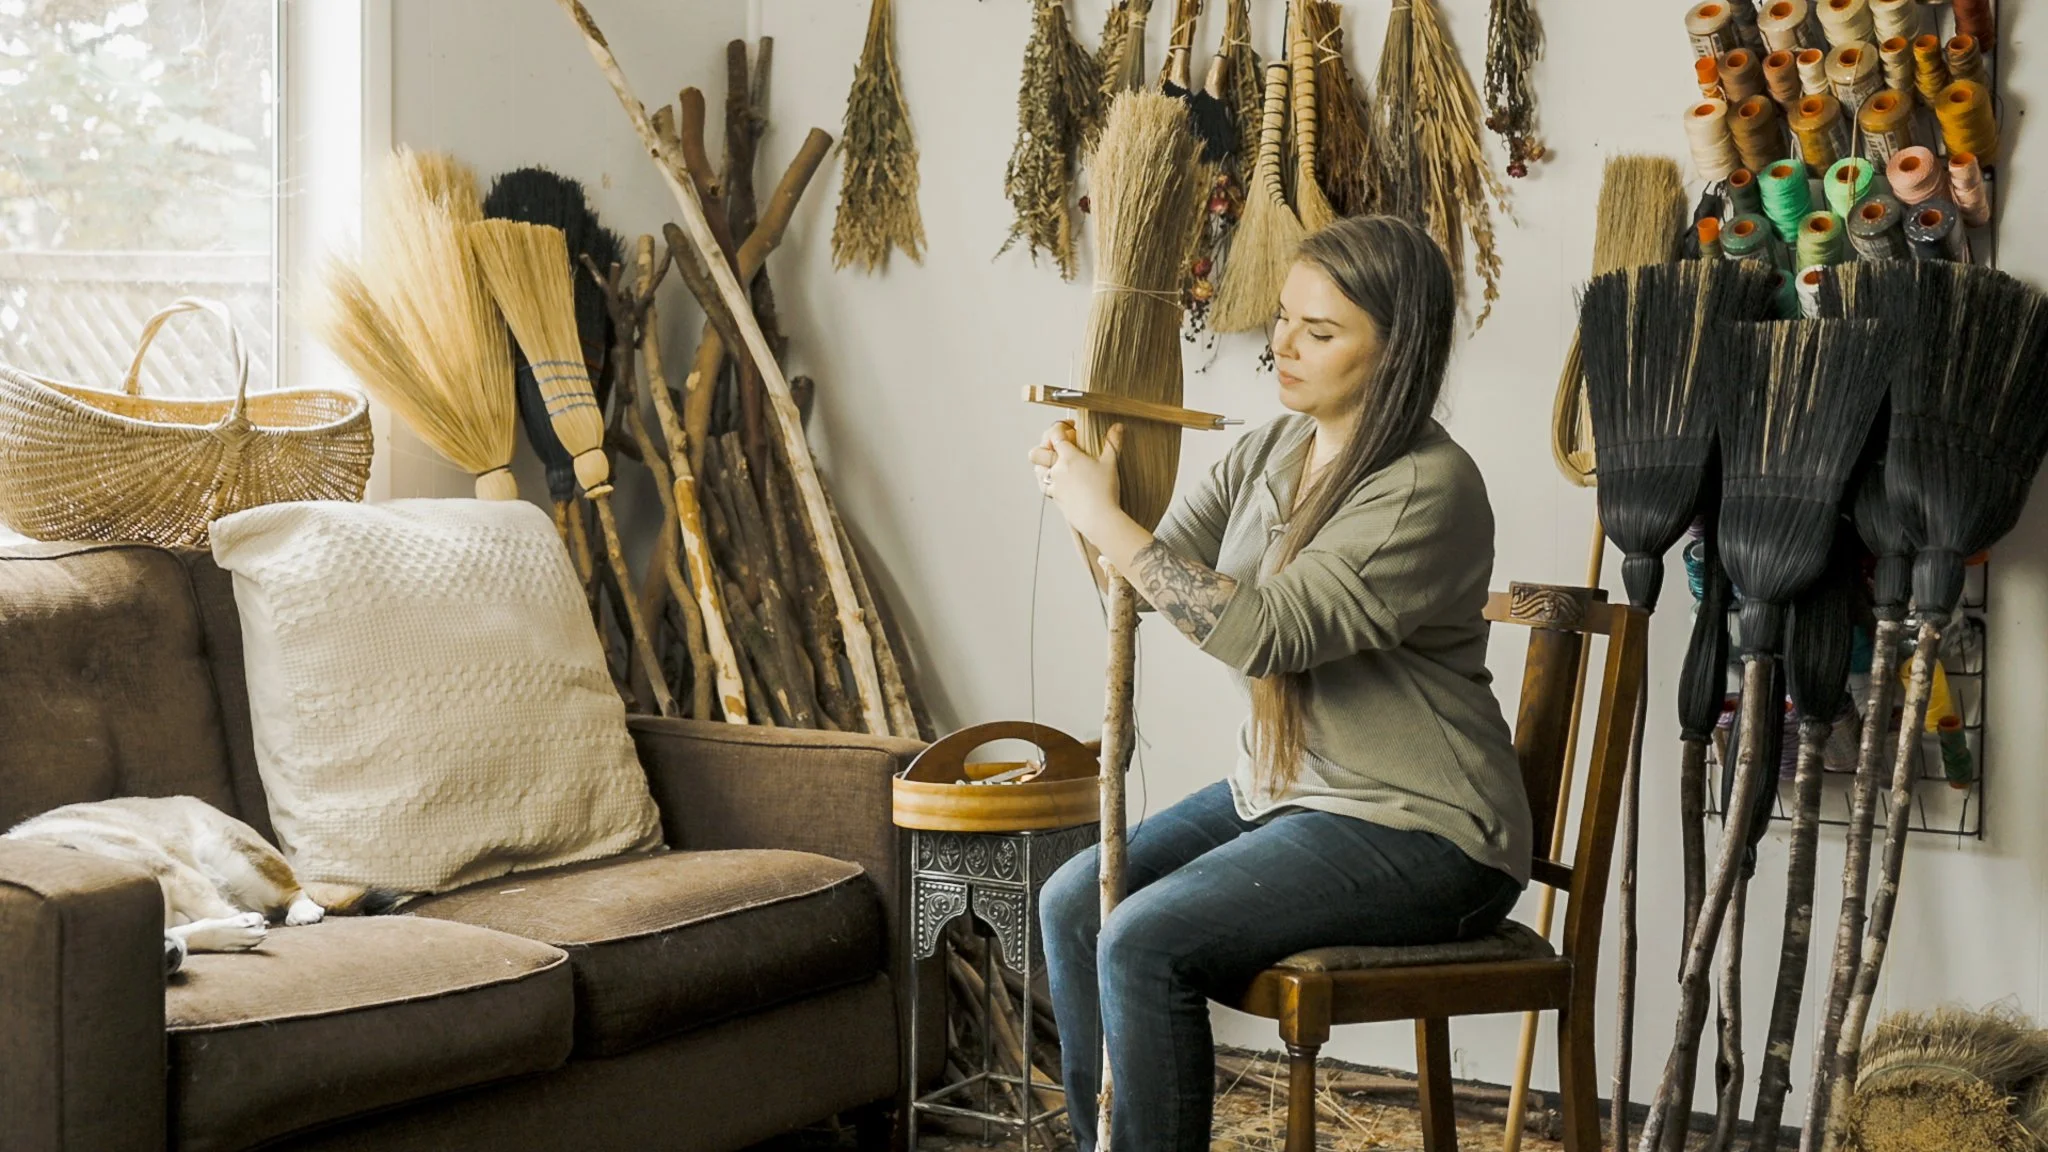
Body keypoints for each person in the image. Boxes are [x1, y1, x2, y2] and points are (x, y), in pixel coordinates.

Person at [1027, 214, 1530, 1151]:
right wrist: (1088, 494)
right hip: (1286, 794)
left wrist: (1108, 522)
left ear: (1396, 349)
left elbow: (1263, 636)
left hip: (1423, 831)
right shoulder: (1271, 451)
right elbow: (1147, 588)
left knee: (1143, 938)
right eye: (1285, 320)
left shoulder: (1426, 488)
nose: (1284, 347)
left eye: (1322, 332)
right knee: (1072, 901)